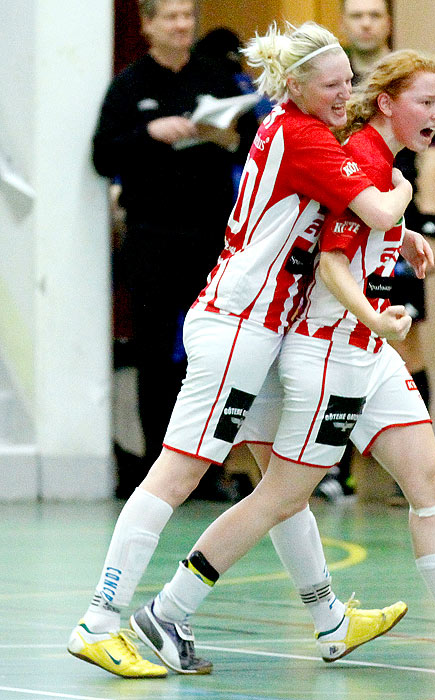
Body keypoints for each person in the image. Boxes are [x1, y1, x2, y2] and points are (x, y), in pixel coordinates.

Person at [130, 50, 435, 675]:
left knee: (429, 483)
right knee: (280, 497)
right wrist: (378, 303)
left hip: (368, 352)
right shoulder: (372, 164)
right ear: (387, 104)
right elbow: (330, 263)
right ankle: (169, 609)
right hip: (329, 353)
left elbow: (353, 231)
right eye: (426, 102)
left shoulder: (376, 161)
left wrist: (396, 238)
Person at [68, 19, 414, 678]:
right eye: (334, 85)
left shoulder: (290, 124)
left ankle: (331, 621)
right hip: (240, 330)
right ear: (297, 84)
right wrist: (403, 189)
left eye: (351, 83)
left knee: (284, 485)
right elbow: (377, 211)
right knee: (178, 475)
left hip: (260, 331)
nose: (348, 95)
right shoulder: (305, 135)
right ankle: (100, 621)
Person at [93, 0, 259, 491]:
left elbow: (258, 144)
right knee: (154, 354)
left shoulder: (217, 76)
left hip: (213, 239)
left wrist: (228, 140)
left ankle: (208, 472)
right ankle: (154, 471)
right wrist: (150, 132)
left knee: (211, 356)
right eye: (171, 16)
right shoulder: (129, 86)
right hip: (152, 238)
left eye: (188, 16)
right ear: (147, 25)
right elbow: (103, 155)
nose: (182, 25)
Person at [318, 0, 435, 504]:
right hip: (364, 225)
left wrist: (419, 225)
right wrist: (399, 202)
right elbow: (337, 245)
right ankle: (337, 469)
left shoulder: (418, 84)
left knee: (404, 343)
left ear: (388, 22)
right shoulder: (340, 99)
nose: (367, 23)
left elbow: (433, 158)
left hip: (388, 228)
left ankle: (414, 466)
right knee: (347, 344)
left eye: (376, 14)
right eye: (357, 15)